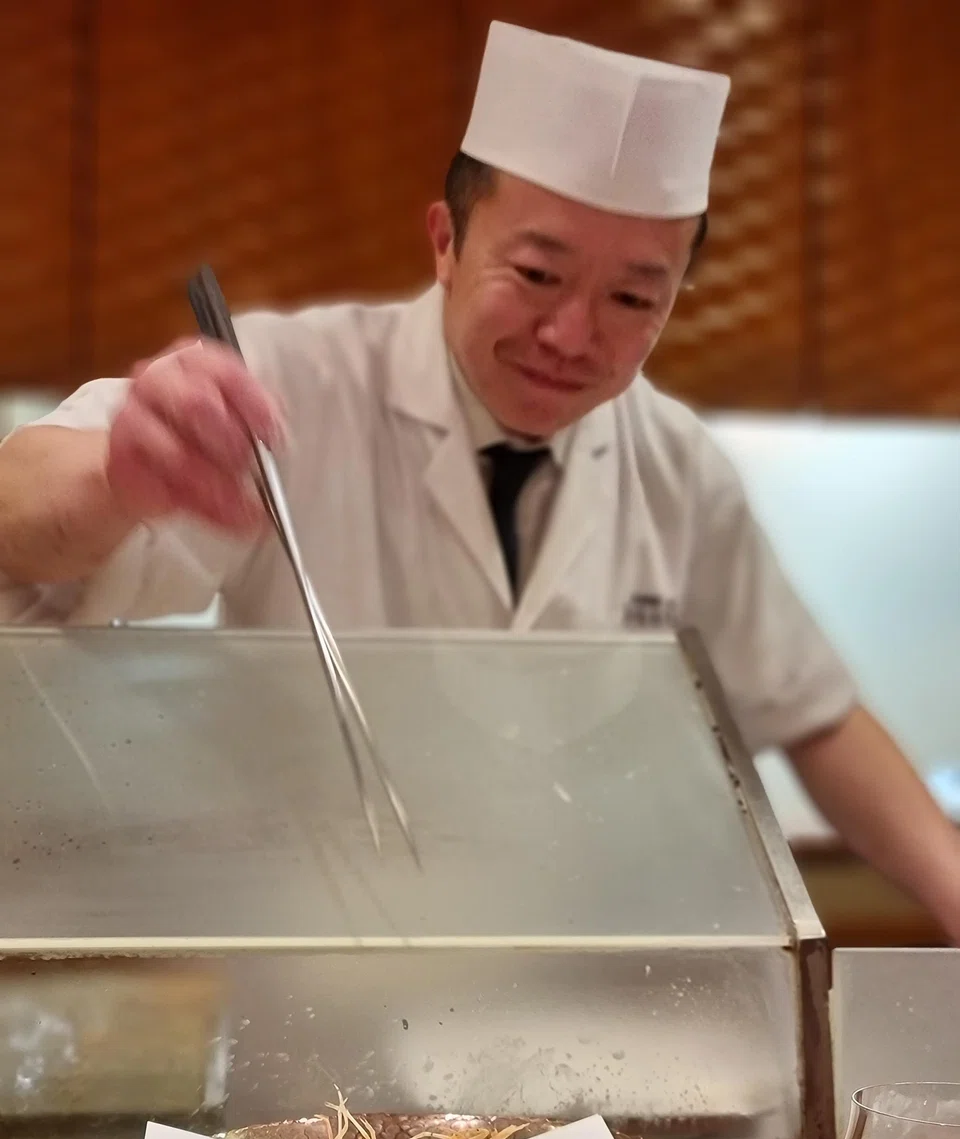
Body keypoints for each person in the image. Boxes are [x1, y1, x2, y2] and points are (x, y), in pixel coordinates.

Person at [1, 22, 957, 936]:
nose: (573, 337)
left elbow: (810, 709)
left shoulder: (674, 464)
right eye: (537, 274)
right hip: (314, 1009)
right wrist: (121, 477)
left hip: (575, 999)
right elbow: (17, 514)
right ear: (446, 242)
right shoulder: (289, 383)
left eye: (633, 297)